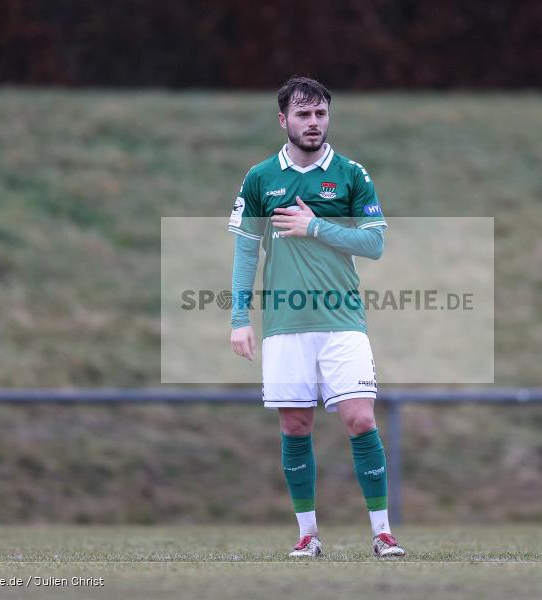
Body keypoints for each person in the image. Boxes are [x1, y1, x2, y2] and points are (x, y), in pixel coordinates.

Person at [227, 76, 404, 558]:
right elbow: (246, 252)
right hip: (285, 325)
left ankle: (383, 533)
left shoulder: (351, 174)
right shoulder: (260, 178)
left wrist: (315, 225)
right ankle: (307, 534)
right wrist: (239, 318)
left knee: (361, 420)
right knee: (295, 427)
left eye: (320, 113)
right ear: (283, 119)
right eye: (303, 114)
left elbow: (374, 243)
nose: (313, 122)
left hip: (343, 321)